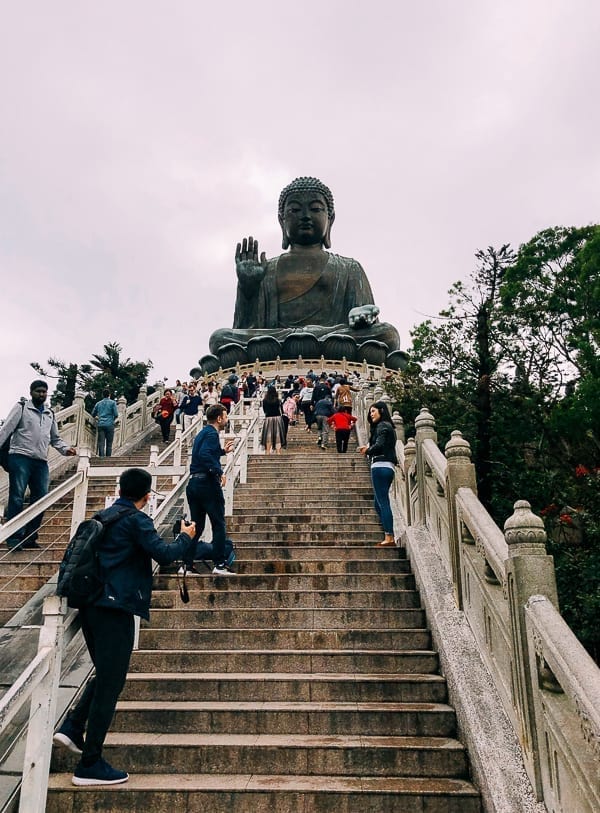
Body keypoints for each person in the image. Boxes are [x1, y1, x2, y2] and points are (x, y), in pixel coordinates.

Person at [53, 467, 196, 786]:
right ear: (147, 494)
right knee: (111, 683)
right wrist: (185, 537)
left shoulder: (103, 516)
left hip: (91, 605)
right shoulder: (136, 519)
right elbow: (166, 554)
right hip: (115, 607)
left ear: (120, 489)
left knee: (106, 674)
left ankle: (73, 726)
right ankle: (89, 764)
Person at [204, 176, 406, 371]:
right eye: (294, 210)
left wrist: (362, 317)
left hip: (334, 338)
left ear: (330, 219)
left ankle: (312, 341)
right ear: (281, 220)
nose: (305, 216)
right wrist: (248, 287)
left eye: (316, 209)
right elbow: (245, 327)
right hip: (277, 340)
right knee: (219, 338)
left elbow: (367, 322)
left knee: (387, 334)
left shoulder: (348, 267)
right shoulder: (266, 269)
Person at [0, 380, 77, 550]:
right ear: (31, 392)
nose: (42, 394)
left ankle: (30, 537)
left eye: (44, 392)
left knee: (41, 499)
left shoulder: (49, 414)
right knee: (17, 497)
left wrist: (66, 450)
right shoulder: (21, 408)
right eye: (38, 391)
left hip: (40, 461)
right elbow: (6, 430)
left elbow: (55, 438)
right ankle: (13, 538)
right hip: (20, 457)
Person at [185, 404, 236, 574]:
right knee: (218, 523)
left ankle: (187, 564)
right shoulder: (212, 433)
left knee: (197, 526)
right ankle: (220, 564)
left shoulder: (203, 433)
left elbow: (202, 453)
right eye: (225, 415)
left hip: (194, 484)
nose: (226, 419)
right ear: (219, 418)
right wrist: (218, 471)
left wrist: (221, 451)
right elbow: (205, 455)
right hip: (206, 483)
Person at [358, 401, 398, 547]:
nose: (371, 414)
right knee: (377, 503)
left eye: (373, 411)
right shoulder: (388, 427)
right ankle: (388, 533)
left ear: (382, 411)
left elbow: (380, 444)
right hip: (387, 466)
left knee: (383, 501)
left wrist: (367, 450)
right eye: (370, 412)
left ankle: (389, 536)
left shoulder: (382, 425)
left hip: (380, 465)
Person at [91, 390, 119, 457]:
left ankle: (101, 457)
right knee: (109, 443)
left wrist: (98, 418)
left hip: (101, 424)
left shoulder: (98, 403)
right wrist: (112, 420)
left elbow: (93, 414)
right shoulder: (113, 403)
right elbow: (116, 414)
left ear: (102, 395)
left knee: (101, 442)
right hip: (109, 424)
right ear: (109, 395)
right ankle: (108, 458)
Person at [260, 386, 285, 455]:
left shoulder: (265, 400)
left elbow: (264, 410)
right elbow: (281, 410)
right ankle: (278, 452)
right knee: (278, 436)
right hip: (277, 418)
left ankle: (267, 451)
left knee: (268, 436)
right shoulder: (278, 400)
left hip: (268, 418)